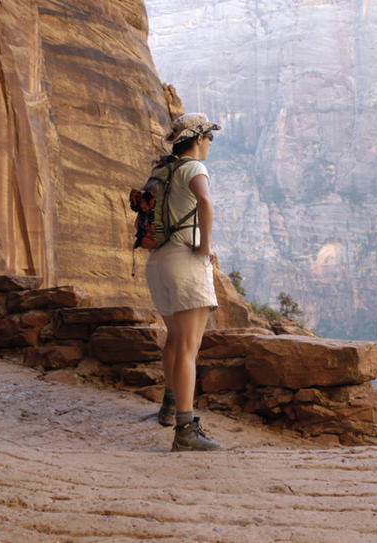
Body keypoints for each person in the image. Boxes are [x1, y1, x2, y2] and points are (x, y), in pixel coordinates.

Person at [145, 113, 223, 451]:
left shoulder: (162, 170)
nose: (210, 144)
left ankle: (168, 406)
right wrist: (205, 247)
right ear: (198, 138)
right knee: (189, 349)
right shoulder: (193, 168)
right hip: (184, 260)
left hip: (158, 262)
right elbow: (205, 201)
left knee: (175, 341)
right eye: (209, 138)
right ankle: (185, 431)